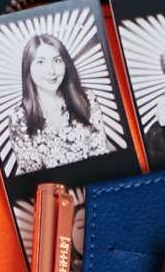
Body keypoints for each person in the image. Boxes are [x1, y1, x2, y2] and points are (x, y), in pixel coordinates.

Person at [6, 34, 111, 174]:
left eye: (57, 60)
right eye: (40, 62)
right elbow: (32, 174)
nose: (51, 71)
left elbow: (101, 156)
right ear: (28, 68)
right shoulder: (18, 118)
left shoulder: (87, 99)